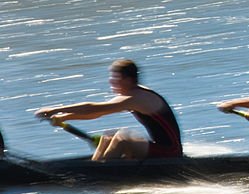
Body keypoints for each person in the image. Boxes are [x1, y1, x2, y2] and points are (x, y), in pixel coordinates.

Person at [35, 59, 183, 161]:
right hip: (162, 149)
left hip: (170, 152)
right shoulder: (131, 95)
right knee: (108, 137)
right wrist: (64, 118)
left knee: (123, 137)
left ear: (128, 80)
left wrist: (55, 110)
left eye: (115, 78)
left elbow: (91, 108)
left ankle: (100, 172)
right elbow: (96, 113)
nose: (111, 81)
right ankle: (96, 166)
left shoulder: (137, 98)